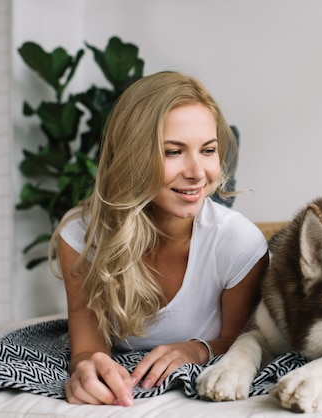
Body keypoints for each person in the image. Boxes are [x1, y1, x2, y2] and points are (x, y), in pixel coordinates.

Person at [48, 71, 269, 407]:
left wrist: (195, 349)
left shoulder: (238, 242)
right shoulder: (81, 236)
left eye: (207, 150)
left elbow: (245, 342)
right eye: (172, 151)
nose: (197, 172)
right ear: (132, 155)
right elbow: (88, 349)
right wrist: (86, 368)